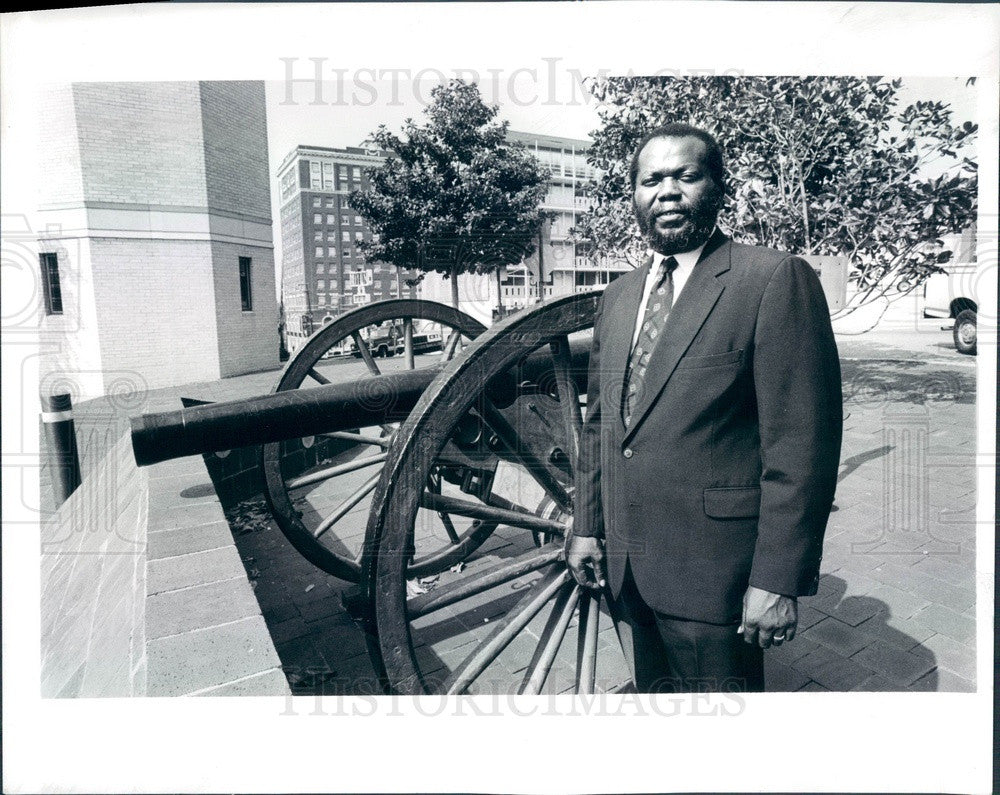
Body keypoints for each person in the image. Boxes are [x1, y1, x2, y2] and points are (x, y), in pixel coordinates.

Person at [567, 123, 842, 692]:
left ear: (717, 186)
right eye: (651, 180)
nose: (667, 191)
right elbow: (601, 427)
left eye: (685, 176)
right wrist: (588, 526)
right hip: (627, 568)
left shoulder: (771, 279)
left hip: (716, 576)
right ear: (635, 196)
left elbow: (801, 446)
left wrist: (777, 579)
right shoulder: (618, 297)